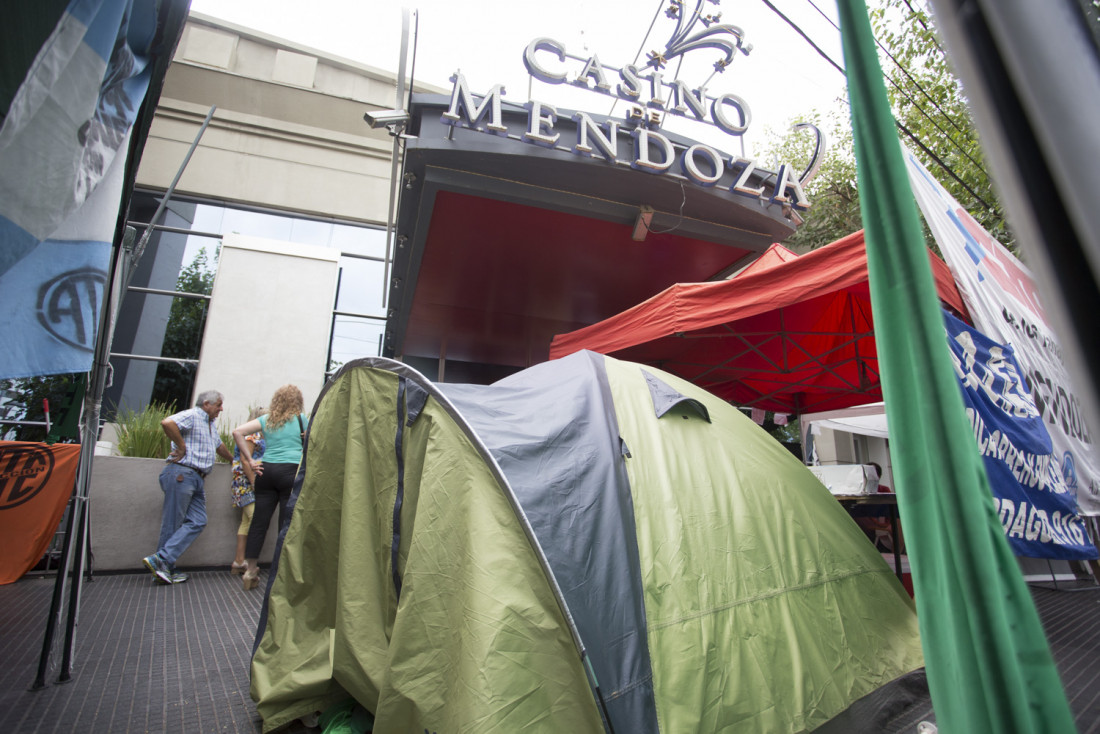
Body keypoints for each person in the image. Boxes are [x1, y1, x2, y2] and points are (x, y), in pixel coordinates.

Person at [143, 390, 233, 585]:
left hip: (197, 478)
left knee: (198, 520)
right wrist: (182, 447)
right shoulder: (193, 415)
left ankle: (162, 560)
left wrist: (237, 460)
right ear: (207, 404)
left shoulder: (209, 425)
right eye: (218, 405)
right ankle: (164, 566)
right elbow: (167, 423)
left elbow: (219, 447)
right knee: (172, 523)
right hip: (182, 474)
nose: (221, 409)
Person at [233, 385, 308, 590]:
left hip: (265, 471)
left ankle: (250, 570)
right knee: (286, 523)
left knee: (258, 522)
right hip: (290, 472)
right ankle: (281, 572)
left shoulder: (267, 420)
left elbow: (237, 432)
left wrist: (250, 460)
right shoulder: (302, 419)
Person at [230, 406, 266, 574]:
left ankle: (239, 561)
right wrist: (254, 483)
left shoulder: (256, 434)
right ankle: (249, 564)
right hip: (246, 482)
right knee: (255, 518)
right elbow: (246, 460)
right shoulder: (253, 434)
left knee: (246, 521)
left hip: (246, 481)